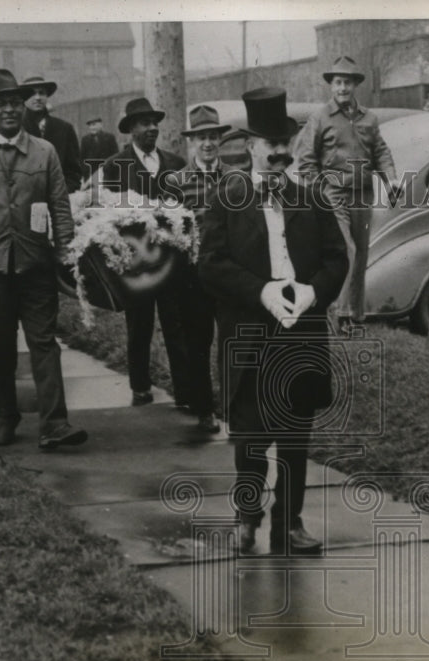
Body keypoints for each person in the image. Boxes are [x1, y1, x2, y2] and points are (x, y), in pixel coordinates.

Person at [199, 88, 348, 556]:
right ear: (251, 148)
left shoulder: (311, 199)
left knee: (293, 433)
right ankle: (248, 518)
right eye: (271, 144)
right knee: (249, 436)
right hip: (248, 332)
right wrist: (259, 290)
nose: (281, 152)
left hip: (300, 332)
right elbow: (211, 265)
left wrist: (312, 291)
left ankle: (290, 523)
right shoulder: (227, 198)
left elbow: (336, 259)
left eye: (286, 142)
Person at [0, 68, 87, 450]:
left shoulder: (44, 152)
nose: (9, 110)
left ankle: (55, 423)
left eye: (15, 102)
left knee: (44, 343)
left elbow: (61, 207)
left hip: (36, 264)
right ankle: (5, 417)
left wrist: (64, 254)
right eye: (1, 104)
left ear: (23, 106)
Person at [295, 56, 399, 332]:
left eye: (348, 83)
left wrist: (391, 180)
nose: (343, 88)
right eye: (338, 82)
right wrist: (319, 191)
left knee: (361, 254)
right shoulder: (320, 118)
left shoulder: (369, 118)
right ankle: (340, 316)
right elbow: (305, 159)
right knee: (347, 252)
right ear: (331, 86)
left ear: (355, 86)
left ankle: (356, 314)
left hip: (363, 195)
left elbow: (381, 152)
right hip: (334, 195)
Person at [98, 97, 189, 409]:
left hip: (171, 263)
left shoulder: (176, 164)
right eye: (143, 123)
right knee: (139, 325)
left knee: (176, 325)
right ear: (130, 130)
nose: (152, 128)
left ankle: (185, 390)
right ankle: (140, 386)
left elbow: (186, 212)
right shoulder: (115, 166)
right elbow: (109, 216)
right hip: (137, 263)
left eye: (154, 123)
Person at [160, 105, 237, 434]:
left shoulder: (236, 179)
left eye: (213, 137)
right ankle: (205, 409)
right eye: (202, 137)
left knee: (233, 344)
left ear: (220, 140)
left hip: (230, 274)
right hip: (193, 276)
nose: (208, 143)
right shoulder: (176, 181)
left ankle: (235, 413)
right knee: (198, 343)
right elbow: (167, 231)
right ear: (192, 142)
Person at [22, 75, 83, 192]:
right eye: (31, 94)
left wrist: (62, 192)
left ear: (47, 96)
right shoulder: (16, 129)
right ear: (23, 98)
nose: (38, 97)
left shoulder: (64, 128)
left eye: (42, 93)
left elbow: (74, 171)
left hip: (58, 197)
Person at [79, 116, 118, 182]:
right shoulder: (85, 139)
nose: (92, 127)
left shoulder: (110, 137)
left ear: (101, 125)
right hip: (90, 173)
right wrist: (85, 172)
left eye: (94, 125)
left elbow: (115, 155)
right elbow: (82, 157)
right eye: (90, 125)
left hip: (106, 171)